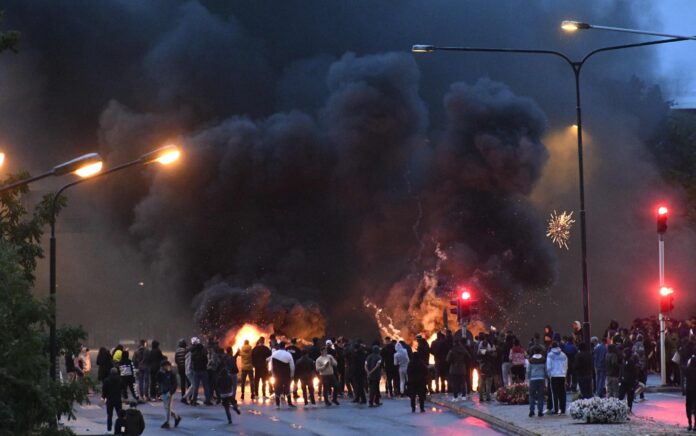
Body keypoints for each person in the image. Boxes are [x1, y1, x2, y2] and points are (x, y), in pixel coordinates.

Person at [217, 347, 241, 423]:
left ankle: (229, 419)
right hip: (232, 376)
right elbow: (233, 361)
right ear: (230, 351)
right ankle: (234, 406)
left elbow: (218, 386)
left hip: (223, 395)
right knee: (234, 388)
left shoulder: (224, 358)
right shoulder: (230, 358)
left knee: (226, 407)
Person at [271, 342, 296, 408]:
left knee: (277, 388)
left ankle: (277, 404)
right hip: (286, 375)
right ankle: (289, 403)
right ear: (285, 346)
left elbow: (271, 366)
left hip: (277, 375)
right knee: (287, 388)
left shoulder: (274, 354)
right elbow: (292, 366)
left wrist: (273, 374)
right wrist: (292, 375)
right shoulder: (288, 354)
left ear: (279, 346)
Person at [157, 360, 182, 429]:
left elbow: (175, 385)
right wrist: (159, 392)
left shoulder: (171, 374)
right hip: (163, 392)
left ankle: (167, 422)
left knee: (167, 408)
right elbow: (158, 383)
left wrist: (170, 392)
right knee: (167, 408)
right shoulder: (160, 374)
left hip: (169, 393)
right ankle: (176, 417)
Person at [546, 342, 568, 414]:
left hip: (554, 376)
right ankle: (563, 408)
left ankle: (555, 409)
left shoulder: (550, 355)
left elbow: (548, 367)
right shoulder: (563, 355)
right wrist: (564, 373)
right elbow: (566, 366)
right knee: (562, 392)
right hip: (562, 375)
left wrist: (549, 375)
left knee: (554, 393)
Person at [190, 336, 212, 405]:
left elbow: (192, 362)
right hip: (203, 371)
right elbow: (206, 362)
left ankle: (194, 400)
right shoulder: (204, 354)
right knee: (206, 386)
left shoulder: (193, 354)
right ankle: (207, 400)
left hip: (196, 371)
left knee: (195, 387)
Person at [527, 345, 546, 417]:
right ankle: (540, 411)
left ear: (533, 351)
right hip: (541, 378)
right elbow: (545, 369)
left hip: (533, 379)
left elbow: (528, 370)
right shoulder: (543, 359)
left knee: (532, 395)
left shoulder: (531, 360)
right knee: (540, 395)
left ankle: (531, 411)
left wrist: (529, 378)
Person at [102, 367, 123, 432]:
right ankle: (122, 429)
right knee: (120, 416)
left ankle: (109, 428)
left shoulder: (106, 380)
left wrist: (103, 396)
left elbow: (104, 390)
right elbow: (123, 388)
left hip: (110, 399)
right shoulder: (120, 379)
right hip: (118, 399)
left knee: (109, 415)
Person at [477, 337, 495, 402]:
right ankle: (488, 397)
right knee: (488, 383)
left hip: (482, 368)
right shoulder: (488, 352)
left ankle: (481, 397)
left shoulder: (479, 351)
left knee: (481, 383)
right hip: (488, 368)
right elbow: (493, 356)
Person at [684, 355, 696, 431]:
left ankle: (689, 424)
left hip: (689, 390)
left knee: (688, 407)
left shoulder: (687, 370)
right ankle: (695, 425)